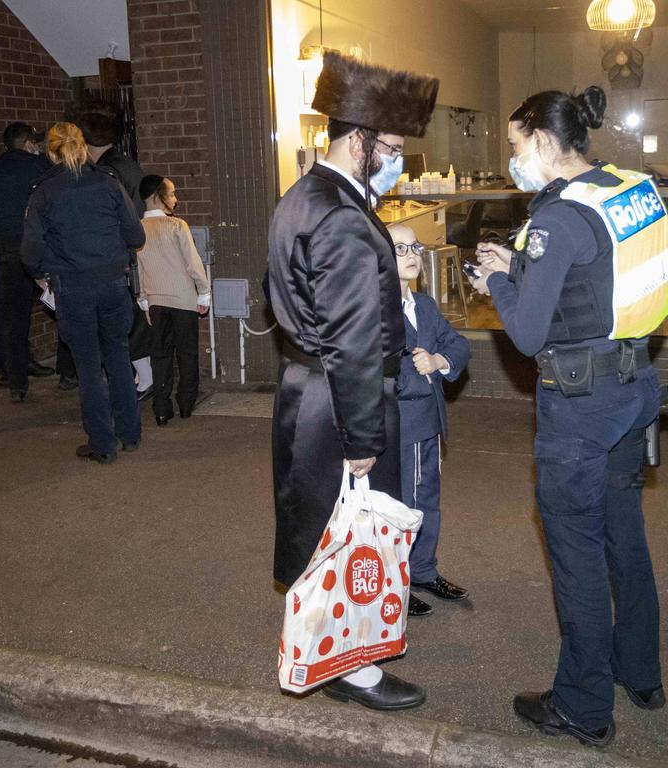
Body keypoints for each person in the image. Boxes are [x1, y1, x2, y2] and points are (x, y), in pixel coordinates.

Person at [470, 86, 665, 746]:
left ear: (547, 142)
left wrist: (497, 278)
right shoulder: (633, 187)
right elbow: (601, 280)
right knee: (624, 534)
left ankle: (583, 707)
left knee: (578, 555)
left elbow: (525, 335)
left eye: (517, 143)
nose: (512, 156)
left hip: (580, 408)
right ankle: (641, 672)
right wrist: (526, 269)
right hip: (637, 384)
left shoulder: (557, 218)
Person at [267, 51, 438, 711]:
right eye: (391, 147)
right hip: (341, 401)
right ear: (358, 138)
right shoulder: (340, 214)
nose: (395, 160)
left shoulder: (304, 196)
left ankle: (335, 657)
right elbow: (353, 339)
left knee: (326, 531)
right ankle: (351, 667)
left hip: (309, 389)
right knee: (349, 537)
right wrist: (364, 436)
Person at [21, 123, 145, 463]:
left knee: (88, 367)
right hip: (112, 284)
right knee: (119, 357)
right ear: (83, 146)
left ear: (51, 151)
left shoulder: (43, 192)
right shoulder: (108, 183)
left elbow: (30, 251)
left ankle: (102, 445)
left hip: (73, 287)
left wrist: (42, 273)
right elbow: (136, 235)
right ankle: (130, 434)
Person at [388, 223, 470, 619]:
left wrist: (438, 360)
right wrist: (413, 367)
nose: (411, 254)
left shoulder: (424, 306)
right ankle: (395, 584)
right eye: (399, 248)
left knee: (426, 503)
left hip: (427, 423)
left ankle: (421, 571)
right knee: (396, 507)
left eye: (414, 246)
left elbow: (458, 345)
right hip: (393, 425)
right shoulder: (373, 309)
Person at [0, 123, 55, 402]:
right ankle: (15, 367)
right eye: (35, 142)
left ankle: (4, 370)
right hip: (34, 252)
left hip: (0, 253)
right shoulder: (40, 169)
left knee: (4, 314)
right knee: (25, 312)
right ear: (27, 142)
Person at [77, 109, 153, 401]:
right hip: (134, 249)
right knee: (133, 317)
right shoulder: (127, 165)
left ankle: (140, 380)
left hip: (118, 254)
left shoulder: (105, 172)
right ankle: (143, 378)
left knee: (123, 323)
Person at [136, 174, 210, 425]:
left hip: (156, 300)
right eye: (171, 194)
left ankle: (161, 407)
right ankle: (186, 403)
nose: (175, 200)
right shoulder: (177, 226)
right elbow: (193, 262)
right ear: (158, 197)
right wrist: (204, 291)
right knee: (187, 352)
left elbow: (139, 267)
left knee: (160, 355)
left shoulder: (137, 229)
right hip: (183, 299)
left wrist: (144, 299)